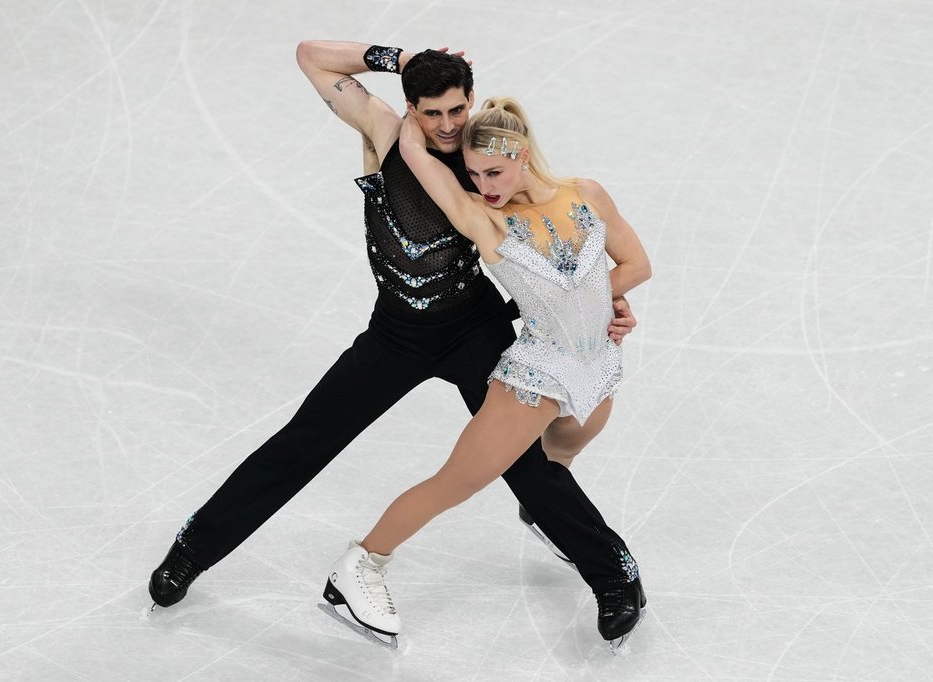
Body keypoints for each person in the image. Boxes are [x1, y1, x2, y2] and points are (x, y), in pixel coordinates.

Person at [147, 42, 643, 650]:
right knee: (305, 441)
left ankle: (612, 574)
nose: (447, 125)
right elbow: (312, 58)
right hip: (397, 335)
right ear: (411, 107)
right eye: (432, 113)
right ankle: (192, 551)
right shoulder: (385, 131)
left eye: (456, 110)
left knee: (521, 461)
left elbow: (557, 243)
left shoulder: (484, 155)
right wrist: (398, 56)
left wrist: (600, 303)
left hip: (477, 327)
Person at [322, 93, 653, 651]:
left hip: (598, 364)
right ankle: (359, 567)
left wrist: (604, 305)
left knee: (563, 452)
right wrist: (410, 123)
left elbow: (636, 265)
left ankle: (542, 512)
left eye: (494, 171)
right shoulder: (487, 220)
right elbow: (427, 169)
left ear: (522, 154)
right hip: (535, 375)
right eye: (475, 174)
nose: (485, 184)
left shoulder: (586, 194)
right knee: (458, 482)